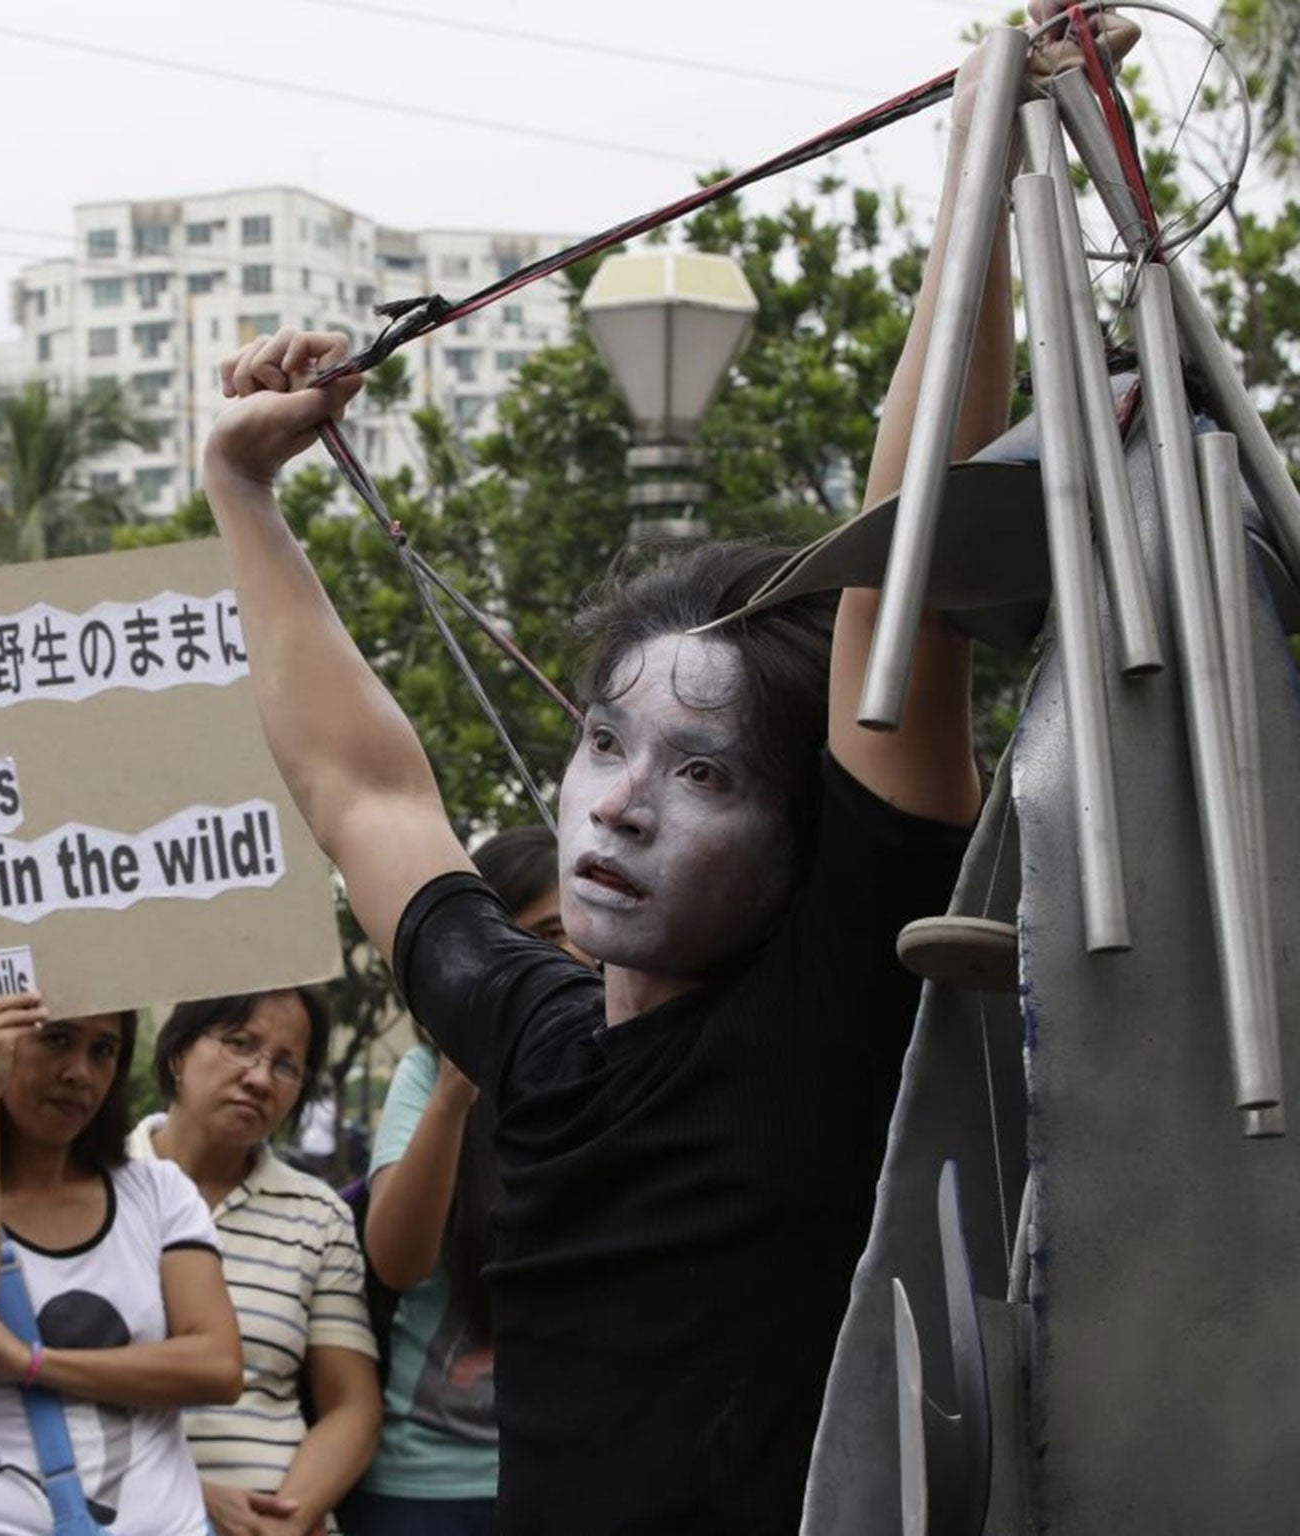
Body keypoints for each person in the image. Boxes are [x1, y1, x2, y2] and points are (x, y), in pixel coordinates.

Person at [191, 11, 1113, 1523]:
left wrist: (984, 163)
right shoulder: (540, 1045)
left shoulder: (834, 1018)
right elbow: (363, 791)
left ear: (808, 836)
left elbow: (907, 562)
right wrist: (241, 487)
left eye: (706, 777)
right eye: (607, 744)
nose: (619, 801)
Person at [0, 959, 242, 1536]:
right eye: (57, 1039)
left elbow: (216, 1366)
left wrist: (31, 1363)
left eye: (103, 1050)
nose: (79, 1072)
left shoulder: (158, 1191)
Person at [342, 827, 579, 1536]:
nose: (576, 957)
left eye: (584, 930)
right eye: (547, 933)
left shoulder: (628, 1071)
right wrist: (454, 1091)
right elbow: (396, 1258)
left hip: (577, 1474)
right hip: (428, 1490)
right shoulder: (426, 1077)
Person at [136, 989, 382, 1536]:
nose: (260, 1078)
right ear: (177, 1052)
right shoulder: (97, 1192)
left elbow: (351, 1407)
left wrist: (283, 1520)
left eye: (287, 1065)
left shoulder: (317, 1214)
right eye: (239, 1044)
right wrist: (193, 1499)